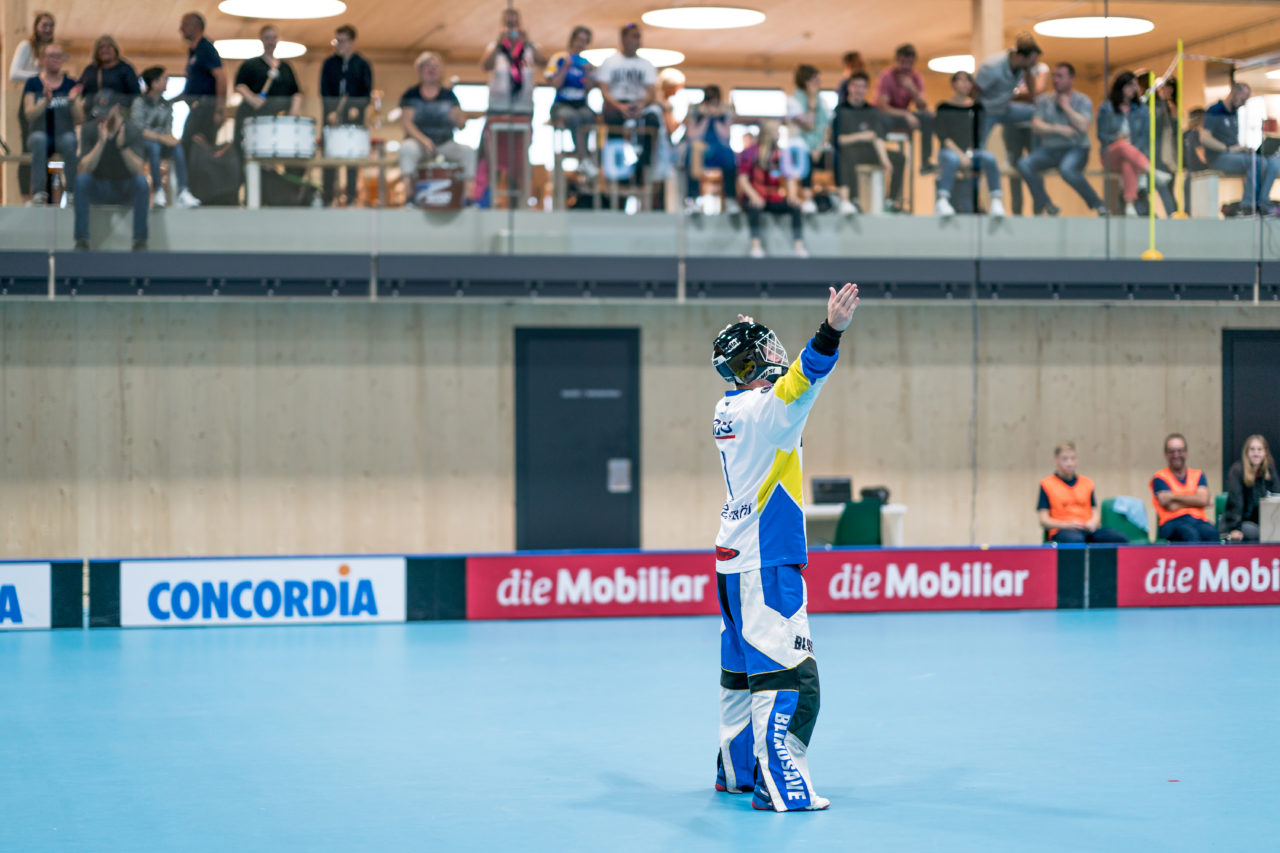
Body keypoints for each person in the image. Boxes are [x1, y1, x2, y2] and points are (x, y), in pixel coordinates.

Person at [710, 281, 859, 812]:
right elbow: (804, 377)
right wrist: (831, 330)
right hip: (768, 561)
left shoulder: (728, 408)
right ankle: (782, 785)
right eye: (767, 347)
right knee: (790, 676)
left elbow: (771, 386)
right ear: (756, 362)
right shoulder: (770, 410)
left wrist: (747, 350)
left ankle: (737, 771)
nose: (777, 352)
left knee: (740, 676)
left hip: (732, 561)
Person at [1017, 62, 1106, 217]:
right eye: (1054, 76)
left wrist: (1066, 107)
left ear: (1071, 79)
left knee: (1067, 170)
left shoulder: (1083, 100)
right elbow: (1036, 125)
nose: (1055, 80)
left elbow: (1083, 126)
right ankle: (1047, 204)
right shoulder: (1044, 100)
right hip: (1049, 150)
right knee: (1024, 163)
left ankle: (1098, 204)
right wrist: (1059, 129)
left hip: (1076, 149)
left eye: (1060, 76)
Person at [74, 92, 150, 251]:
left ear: (116, 108)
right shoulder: (89, 129)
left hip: (124, 187)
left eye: (106, 112)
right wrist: (101, 143)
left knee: (141, 183)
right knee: (81, 180)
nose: (102, 117)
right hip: (99, 186)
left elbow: (138, 168)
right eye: (99, 113)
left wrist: (123, 148)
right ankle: (82, 240)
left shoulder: (131, 129)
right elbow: (85, 167)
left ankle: (140, 240)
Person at [398, 51, 472, 204]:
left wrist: (459, 120)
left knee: (468, 152)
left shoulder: (449, 96)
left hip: (444, 142)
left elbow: (460, 123)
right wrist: (424, 140)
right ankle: (409, 197)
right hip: (419, 143)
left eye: (435, 66)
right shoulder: (411, 95)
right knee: (407, 149)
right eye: (428, 66)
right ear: (420, 70)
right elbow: (406, 123)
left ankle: (467, 198)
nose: (432, 69)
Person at [1097, 71, 1171, 217]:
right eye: (1131, 85)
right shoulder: (1107, 108)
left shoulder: (1142, 110)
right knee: (1122, 145)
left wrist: (1133, 150)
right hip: (1111, 154)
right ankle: (1152, 171)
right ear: (1122, 87)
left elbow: (1145, 136)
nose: (1134, 89)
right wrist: (1114, 138)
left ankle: (1129, 204)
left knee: (1128, 161)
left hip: (1134, 156)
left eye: (1136, 85)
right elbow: (1101, 135)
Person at [934, 70, 1004, 218]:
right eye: (961, 80)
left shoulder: (977, 108)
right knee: (952, 160)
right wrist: (961, 155)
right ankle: (943, 199)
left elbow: (979, 135)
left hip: (971, 151)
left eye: (968, 80)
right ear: (953, 84)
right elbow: (943, 137)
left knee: (989, 159)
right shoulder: (943, 107)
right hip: (949, 151)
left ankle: (996, 199)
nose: (965, 84)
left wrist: (970, 153)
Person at [1201, 82, 1279, 216]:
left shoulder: (1234, 113)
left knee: (1272, 163)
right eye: (1243, 99)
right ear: (1233, 94)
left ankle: (1263, 201)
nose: (1244, 103)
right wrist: (1227, 148)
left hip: (1234, 154)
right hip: (1218, 157)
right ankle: (1248, 206)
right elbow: (1204, 138)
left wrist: (1242, 149)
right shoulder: (1214, 110)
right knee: (1255, 162)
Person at [832, 71, 902, 215]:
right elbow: (838, 140)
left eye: (862, 86)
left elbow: (877, 137)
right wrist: (861, 136)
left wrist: (884, 160)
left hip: (869, 152)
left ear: (866, 89)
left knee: (899, 158)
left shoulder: (872, 111)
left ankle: (891, 201)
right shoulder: (840, 111)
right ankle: (853, 200)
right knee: (845, 155)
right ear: (849, 87)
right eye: (856, 86)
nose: (859, 90)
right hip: (849, 153)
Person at [597, 24, 660, 183]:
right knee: (612, 120)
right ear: (623, 38)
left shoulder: (646, 64)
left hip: (639, 104)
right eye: (634, 36)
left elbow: (651, 91)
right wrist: (619, 106)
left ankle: (643, 165)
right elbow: (604, 89)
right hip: (616, 104)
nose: (637, 40)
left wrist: (641, 105)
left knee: (653, 120)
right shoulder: (610, 62)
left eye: (639, 37)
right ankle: (617, 168)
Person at [319, 24, 373, 207]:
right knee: (329, 157)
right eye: (337, 41)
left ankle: (351, 197)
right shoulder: (329, 64)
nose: (339, 45)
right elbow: (324, 91)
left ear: (352, 42)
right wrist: (330, 111)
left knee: (352, 158)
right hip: (332, 118)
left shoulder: (362, 65)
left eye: (342, 41)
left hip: (354, 120)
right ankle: (328, 197)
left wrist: (357, 107)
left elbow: (366, 93)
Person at [22, 43, 83, 205]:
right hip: (40, 134)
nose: (56, 59)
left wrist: (72, 101)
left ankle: (72, 193)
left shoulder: (70, 84)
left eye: (59, 56)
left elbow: (80, 118)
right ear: (42, 59)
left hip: (64, 135)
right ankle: (38, 193)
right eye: (51, 56)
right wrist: (45, 102)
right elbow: (29, 114)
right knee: (39, 140)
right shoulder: (33, 83)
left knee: (70, 140)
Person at [132, 66, 200, 208]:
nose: (167, 81)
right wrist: (160, 137)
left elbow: (168, 129)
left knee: (177, 147)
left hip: (161, 143)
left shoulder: (166, 104)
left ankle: (183, 191)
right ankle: (158, 190)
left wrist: (172, 139)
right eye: (164, 79)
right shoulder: (139, 102)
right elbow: (138, 129)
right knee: (154, 147)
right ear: (154, 83)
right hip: (143, 144)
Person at [737, 120, 806, 258]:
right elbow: (742, 179)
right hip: (756, 196)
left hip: (774, 197)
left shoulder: (781, 153)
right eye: (775, 131)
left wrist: (792, 196)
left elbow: (789, 177)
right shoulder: (750, 153)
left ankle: (798, 246)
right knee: (754, 208)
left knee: (795, 207)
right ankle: (756, 246)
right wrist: (754, 196)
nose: (778, 134)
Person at [1037, 442, 1127, 544]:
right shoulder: (1047, 484)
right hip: (1063, 530)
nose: (1069, 463)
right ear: (1056, 460)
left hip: (1087, 529)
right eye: (1065, 459)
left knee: (1118, 538)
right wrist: (1067, 525)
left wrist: (1092, 523)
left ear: (1077, 460)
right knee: (1076, 540)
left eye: (1072, 458)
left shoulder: (1087, 483)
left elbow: (1095, 512)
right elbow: (1044, 520)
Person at [233, 25, 303, 151]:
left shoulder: (285, 67)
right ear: (261, 40)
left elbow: (296, 92)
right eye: (267, 38)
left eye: (273, 38)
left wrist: (294, 111)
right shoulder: (250, 64)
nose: (271, 42)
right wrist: (252, 99)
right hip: (256, 119)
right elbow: (239, 85)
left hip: (280, 121)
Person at [875, 43, 935, 173]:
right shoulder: (886, 76)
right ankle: (880, 157)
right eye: (903, 62)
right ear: (896, 60)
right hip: (886, 117)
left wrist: (912, 89)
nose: (906, 66)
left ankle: (925, 162)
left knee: (928, 117)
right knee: (882, 119)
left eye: (910, 63)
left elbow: (922, 106)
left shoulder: (916, 78)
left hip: (903, 116)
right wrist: (906, 114)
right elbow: (883, 107)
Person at [544, 26, 597, 174]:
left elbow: (588, 89)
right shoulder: (560, 58)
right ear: (572, 40)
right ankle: (583, 158)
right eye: (579, 40)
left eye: (585, 41)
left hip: (580, 105)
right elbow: (554, 84)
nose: (581, 44)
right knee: (572, 117)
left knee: (588, 116)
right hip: (561, 105)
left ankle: (583, 155)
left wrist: (588, 73)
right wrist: (564, 68)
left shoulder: (585, 63)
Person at [974, 33, 1042, 146]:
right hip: (987, 111)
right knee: (979, 144)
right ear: (1021, 56)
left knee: (1039, 112)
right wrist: (975, 114)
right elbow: (975, 89)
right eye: (1031, 62)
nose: (1033, 64)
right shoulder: (992, 66)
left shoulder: (1023, 66)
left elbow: (1029, 77)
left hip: (1005, 108)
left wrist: (1034, 99)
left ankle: (1037, 151)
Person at [1150, 433, 1219, 542]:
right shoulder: (1159, 477)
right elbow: (1171, 506)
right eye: (1171, 451)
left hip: (1198, 520)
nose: (1176, 455)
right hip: (1171, 523)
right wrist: (1196, 500)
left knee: (1212, 532)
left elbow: (1203, 499)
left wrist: (1172, 496)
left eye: (1180, 450)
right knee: (1190, 534)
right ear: (1166, 454)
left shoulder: (1198, 475)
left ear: (1186, 452)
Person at [1004, 57, 1049, 216]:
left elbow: (1037, 91)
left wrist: (1015, 94)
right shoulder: (1009, 70)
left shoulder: (1041, 68)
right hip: (1012, 127)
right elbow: (1003, 94)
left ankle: (1039, 209)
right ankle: (1017, 211)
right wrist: (1024, 94)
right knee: (1014, 169)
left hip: (1033, 127)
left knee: (1035, 167)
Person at [786, 64, 834, 214]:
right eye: (815, 80)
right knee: (804, 155)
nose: (818, 83)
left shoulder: (823, 102)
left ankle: (834, 197)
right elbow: (809, 125)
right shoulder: (793, 101)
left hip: (819, 146)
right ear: (806, 82)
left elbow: (827, 129)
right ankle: (807, 199)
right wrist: (812, 103)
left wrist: (819, 146)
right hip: (800, 146)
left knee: (837, 156)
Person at [684, 84, 739, 213]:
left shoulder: (724, 111)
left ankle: (730, 198)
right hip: (701, 148)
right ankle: (693, 199)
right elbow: (691, 135)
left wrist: (716, 118)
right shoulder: (695, 110)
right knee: (692, 155)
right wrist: (705, 118)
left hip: (719, 149)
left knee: (730, 157)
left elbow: (726, 136)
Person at [178, 12, 227, 157]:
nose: (181, 28)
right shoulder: (194, 51)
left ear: (197, 26)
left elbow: (221, 77)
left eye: (185, 24)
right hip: (196, 107)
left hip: (206, 108)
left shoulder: (205, 48)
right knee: (187, 147)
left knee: (199, 148)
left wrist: (219, 109)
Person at [1221, 435, 1276, 542]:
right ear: (1246, 452)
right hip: (1240, 522)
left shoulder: (1269, 471)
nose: (1256, 453)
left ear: (1265, 452)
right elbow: (1235, 503)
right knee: (1258, 533)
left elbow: (1276, 496)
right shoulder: (1237, 470)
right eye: (1252, 449)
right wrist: (1235, 528)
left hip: (1263, 522)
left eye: (1259, 449)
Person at [77, 35, 140, 101]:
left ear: (115, 49)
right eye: (101, 47)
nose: (104, 50)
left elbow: (135, 94)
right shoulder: (90, 70)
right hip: (92, 106)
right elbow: (80, 88)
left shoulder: (125, 69)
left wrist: (122, 103)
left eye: (108, 47)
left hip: (119, 106)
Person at [8, 11, 55, 84]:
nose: (48, 29)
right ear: (36, 27)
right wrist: (40, 76)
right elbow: (13, 74)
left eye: (51, 25)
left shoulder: (52, 50)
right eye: (44, 25)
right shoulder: (26, 46)